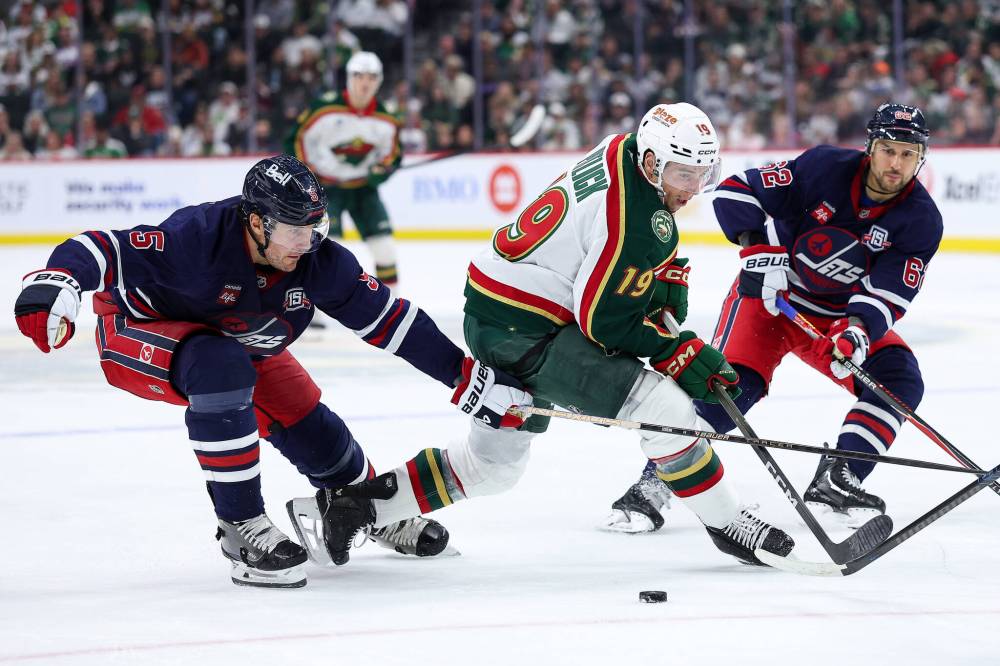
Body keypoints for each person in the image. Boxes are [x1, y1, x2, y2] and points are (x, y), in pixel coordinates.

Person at [13, 155, 530, 589]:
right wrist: (56, 280)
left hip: (230, 344)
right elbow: (104, 246)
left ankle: (357, 506)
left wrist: (464, 376)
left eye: (316, 227)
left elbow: (392, 322)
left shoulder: (318, 261)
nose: (307, 242)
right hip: (135, 330)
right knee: (222, 368)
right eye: (294, 229)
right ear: (256, 222)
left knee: (310, 420)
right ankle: (240, 524)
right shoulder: (196, 240)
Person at [321, 103, 796, 568]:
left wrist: (653, 274)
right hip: (530, 329)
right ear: (651, 162)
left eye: (702, 174)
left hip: (496, 312)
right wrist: (674, 350)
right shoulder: (636, 222)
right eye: (682, 174)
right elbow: (604, 322)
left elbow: (597, 250)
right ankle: (730, 523)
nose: (693, 188)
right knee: (664, 407)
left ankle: (359, 509)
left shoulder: (620, 149)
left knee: (494, 465)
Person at [608, 102, 940, 530]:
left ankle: (841, 477)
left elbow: (890, 290)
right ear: (870, 147)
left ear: (921, 159)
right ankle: (650, 487)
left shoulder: (921, 220)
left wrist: (857, 331)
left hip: (831, 319)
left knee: (899, 379)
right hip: (767, 299)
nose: (896, 163)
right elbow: (733, 191)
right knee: (729, 393)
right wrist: (759, 251)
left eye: (907, 154)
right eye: (888, 150)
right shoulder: (824, 168)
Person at [285, 51, 403, 293]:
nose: (365, 82)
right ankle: (311, 307)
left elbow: (392, 154)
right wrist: (306, 175)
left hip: (363, 190)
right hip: (326, 189)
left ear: (379, 81)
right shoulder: (324, 108)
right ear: (349, 78)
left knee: (385, 247)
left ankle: (392, 305)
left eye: (372, 77)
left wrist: (381, 170)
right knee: (324, 248)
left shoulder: (386, 118)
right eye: (359, 75)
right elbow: (295, 138)